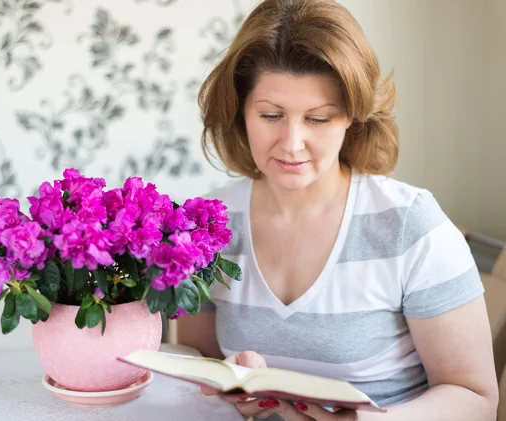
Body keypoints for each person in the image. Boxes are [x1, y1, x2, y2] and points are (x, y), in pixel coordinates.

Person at [176, 0, 499, 420]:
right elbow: (198, 359)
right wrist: (222, 381)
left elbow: (476, 399)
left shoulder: (409, 225)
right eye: (271, 115)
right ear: (241, 113)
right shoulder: (210, 224)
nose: (292, 144)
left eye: (318, 119)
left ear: (352, 118)